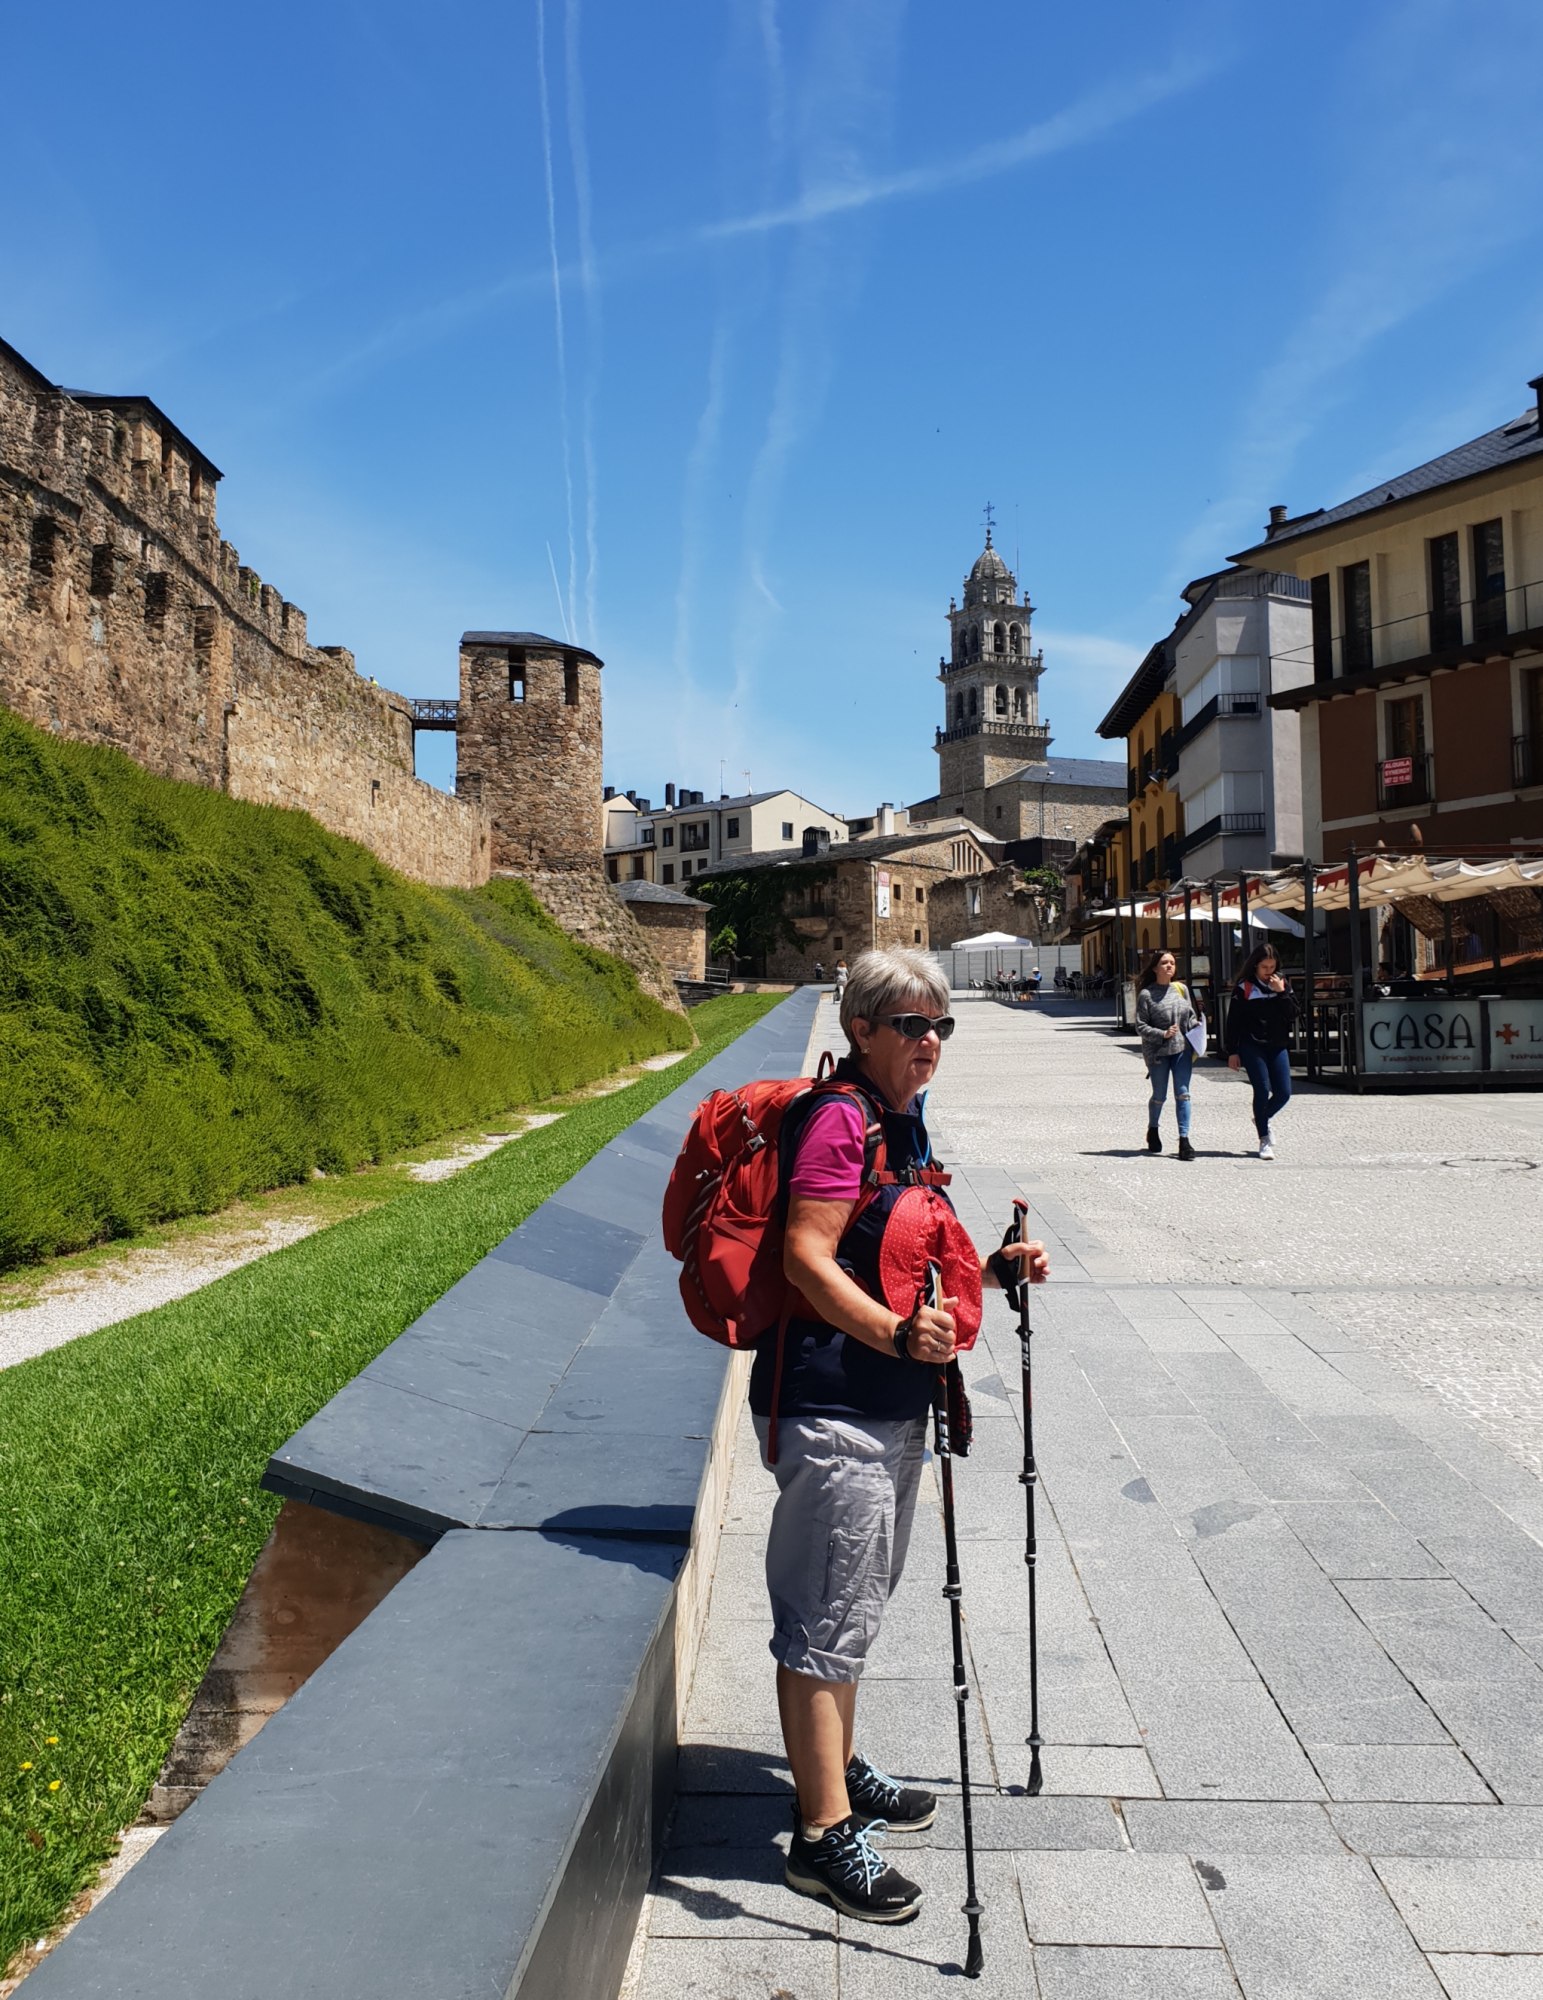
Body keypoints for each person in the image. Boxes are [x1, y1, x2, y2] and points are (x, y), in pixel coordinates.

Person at [751, 946, 1048, 1924]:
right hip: (831, 1399)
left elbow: (907, 1254)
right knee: (824, 1612)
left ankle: (833, 1766)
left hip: (881, 1397)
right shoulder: (840, 1120)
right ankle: (820, 1835)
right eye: (912, 1024)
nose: (930, 1041)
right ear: (861, 1029)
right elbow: (803, 1257)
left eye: (940, 1026)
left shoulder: (897, 1119)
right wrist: (890, 1333)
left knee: (854, 1597)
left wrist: (997, 1272)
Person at [1226, 943, 1297, 1159]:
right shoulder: (1244, 988)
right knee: (1262, 1088)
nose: (1269, 972)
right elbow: (1233, 1021)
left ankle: (1262, 1118)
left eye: (1272, 967)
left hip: (1277, 1043)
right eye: (1265, 967)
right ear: (1256, 965)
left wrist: (1281, 993)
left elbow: (1293, 1014)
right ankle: (1264, 1138)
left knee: (1284, 1093)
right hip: (1251, 1044)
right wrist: (1232, 1051)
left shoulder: (1282, 983)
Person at [1135, 949, 1198, 1160]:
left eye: (1172, 962)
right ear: (1155, 968)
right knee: (1159, 1096)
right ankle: (1153, 1128)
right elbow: (1140, 1025)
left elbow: (1190, 1016)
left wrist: (1197, 1026)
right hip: (1158, 1052)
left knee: (1183, 1093)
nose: (1169, 966)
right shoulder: (1147, 994)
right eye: (1164, 963)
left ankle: (1184, 1140)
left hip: (1182, 1049)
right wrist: (1162, 1033)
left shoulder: (1181, 989)